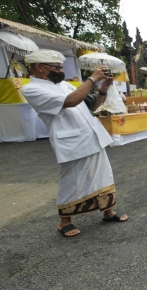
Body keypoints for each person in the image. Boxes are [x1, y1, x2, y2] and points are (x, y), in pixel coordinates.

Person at [21, 49, 128, 238]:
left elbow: (91, 106)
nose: (60, 70)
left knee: (104, 176)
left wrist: (103, 87)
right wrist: (92, 79)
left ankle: (108, 211)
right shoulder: (32, 88)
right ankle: (65, 222)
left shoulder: (66, 85)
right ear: (39, 67)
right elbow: (70, 102)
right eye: (56, 67)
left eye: (61, 66)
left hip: (92, 136)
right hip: (71, 142)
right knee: (72, 180)